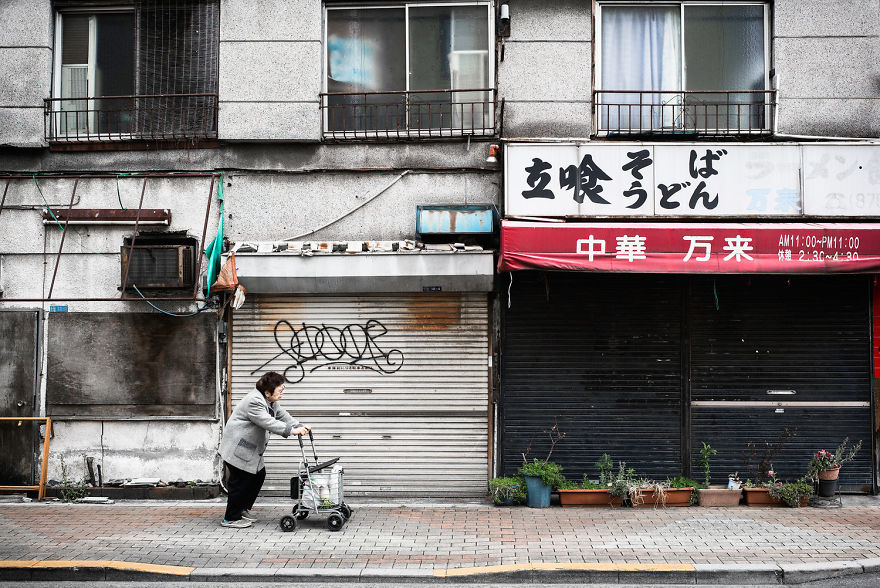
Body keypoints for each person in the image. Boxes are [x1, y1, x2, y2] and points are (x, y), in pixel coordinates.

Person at [218, 371, 309, 528]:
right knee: (240, 482)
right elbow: (267, 422)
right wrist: (291, 431)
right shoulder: (255, 401)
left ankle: (242, 509)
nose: (282, 393)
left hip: (249, 449)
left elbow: (282, 415)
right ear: (268, 392)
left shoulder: (270, 401)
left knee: (258, 475)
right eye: (280, 390)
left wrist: (298, 425)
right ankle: (231, 518)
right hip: (237, 448)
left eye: (283, 389)